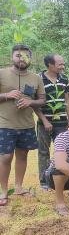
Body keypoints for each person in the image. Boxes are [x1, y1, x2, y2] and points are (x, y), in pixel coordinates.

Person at [0, 44, 46, 206]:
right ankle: (3, 191)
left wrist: (30, 101)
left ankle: (19, 186)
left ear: (30, 59)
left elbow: (42, 100)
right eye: (18, 56)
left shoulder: (36, 78)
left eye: (25, 56)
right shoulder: (2, 73)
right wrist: (7, 95)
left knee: (23, 155)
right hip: (5, 123)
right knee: (5, 157)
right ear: (12, 57)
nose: (22, 59)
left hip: (26, 124)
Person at [35, 54, 69, 190]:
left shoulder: (64, 79)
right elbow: (35, 104)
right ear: (50, 65)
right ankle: (44, 181)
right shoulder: (38, 79)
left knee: (62, 151)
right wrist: (44, 121)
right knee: (43, 152)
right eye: (60, 64)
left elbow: (67, 101)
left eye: (63, 64)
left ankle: (60, 178)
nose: (63, 66)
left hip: (62, 124)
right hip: (45, 123)